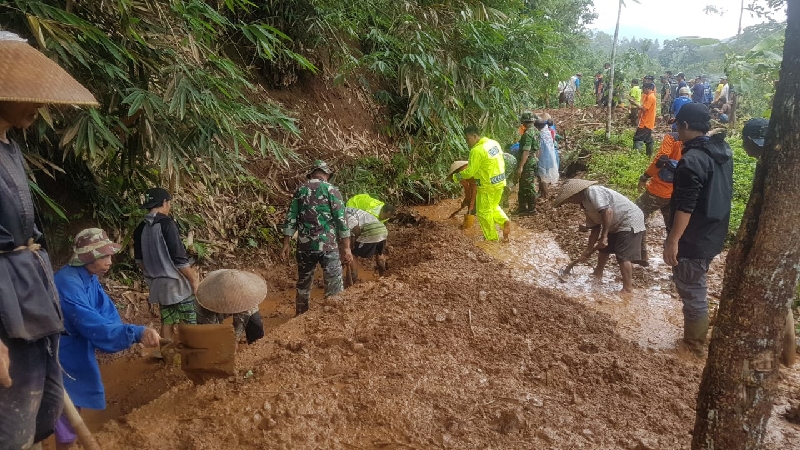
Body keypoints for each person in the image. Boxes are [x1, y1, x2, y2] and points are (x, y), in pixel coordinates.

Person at [0, 31, 100, 448]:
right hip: (6, 305)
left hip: (28, 295)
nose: (38, 104)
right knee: (11, 420)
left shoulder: (9, 148)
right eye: (27, 94)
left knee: (38, 402)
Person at [54, 229, 161, 449]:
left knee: (73, 403)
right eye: (104, 256)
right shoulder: (67, 284)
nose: (110, 261)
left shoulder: (89, 278)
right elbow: (93, 324)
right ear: (87, 257)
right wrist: (135, 333)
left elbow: (107, 314)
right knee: (61, 404)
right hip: (59, 352)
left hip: (75, 348)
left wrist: (127, 332)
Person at [663, 103, 733, 354]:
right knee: (696, 283)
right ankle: (696, 338)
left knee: (692, 289)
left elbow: (685, 206)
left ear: (684, 125)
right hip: (714, 231)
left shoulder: (691, 160)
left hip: (693, 236)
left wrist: (673, 240)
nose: (676, 131)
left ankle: (693, 346)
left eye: (677, 126)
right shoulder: (722, 150)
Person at [740, 117, 796, 365]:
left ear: (748, 141)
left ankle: (788, 357)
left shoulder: (776, 167)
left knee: (780, 299)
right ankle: (788, 357)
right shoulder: (774, 160)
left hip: (781, 243)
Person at [281, 160, 352, 315]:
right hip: (328, 246)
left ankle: (300, 315)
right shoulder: (332, 190)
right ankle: (332, 316)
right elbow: (341, 220)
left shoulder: (300, 190)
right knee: (334, 284)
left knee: (303, 284)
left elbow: (291, 217)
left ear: (312, 174)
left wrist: (286, 243)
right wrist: (346, 248)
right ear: (326, 175)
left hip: (305, 247)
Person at [554, 179, 646, 293]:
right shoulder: (585, 204)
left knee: (622, 254)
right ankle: (598, 273)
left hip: (629, 218)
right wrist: (588, 250)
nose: (570, 201)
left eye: (570, 198)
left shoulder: (593, 192)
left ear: (576, 193)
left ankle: (627, 288)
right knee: (604, 249)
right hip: (614, 223)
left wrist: (604, 236)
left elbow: (608, 212)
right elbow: (595, 228)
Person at [134, 188, 199, 341]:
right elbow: (180, 260)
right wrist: (193, 280)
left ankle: (167, 359)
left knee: (167, 321)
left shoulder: (140, 228)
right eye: (168, 203)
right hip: (177, 285)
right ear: (164, 203)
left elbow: (140, 262)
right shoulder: (167, 224)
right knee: (190, 320)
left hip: (158, 286)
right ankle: (194, 356)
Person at [455, 126, 510, 241]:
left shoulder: (477, 150)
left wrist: (456, 177)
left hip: (487, 185)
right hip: (500, 181)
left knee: (483, 212)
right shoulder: (493, 143)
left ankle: (491, 239)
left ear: (475, 136)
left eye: (468, 139)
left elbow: (469, 172)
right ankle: (504, 221)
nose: (467, 142)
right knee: (492, 206)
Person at [635, 132, 683, 262]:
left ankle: (640, 254)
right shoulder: (696, 140)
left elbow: (661, 159)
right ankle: (676, 262)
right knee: (672, 226)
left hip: (659, 189)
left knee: (636, 213)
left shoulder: (672, 137)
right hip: (677, 191)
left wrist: (645, 176)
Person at [195, 269, 266, 345]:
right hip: (213, 297)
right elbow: (213, 329)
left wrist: (235, 339)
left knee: (255, 324)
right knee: (210, 337)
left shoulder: (245, 295)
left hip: (241, 287)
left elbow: (241, 320)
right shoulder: (206, 300)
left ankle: (255, 346)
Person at [344, 206, 389, 282]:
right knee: (379, 253)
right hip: (382, 230)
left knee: (353, 253)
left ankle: (354, 278)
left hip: (371, 231)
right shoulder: (352, 209)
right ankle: (383, 275)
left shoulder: (345, 213)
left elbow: (356, 229)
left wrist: (353, 245)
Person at [514, 112, 540, 215]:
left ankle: (530, 209)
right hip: (533, 160)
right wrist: (536, 160)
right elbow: (538, 149)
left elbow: (526, 151)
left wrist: (520, 167)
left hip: (527, 162)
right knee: (527, 184)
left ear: (524, 122)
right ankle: (524, 208)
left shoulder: (528, 134)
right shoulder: (536, 132)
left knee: (527, 185)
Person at [448, 160, 477, 229]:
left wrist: (470, 204)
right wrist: (466, 200)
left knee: (473, 206)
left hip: (481, 186)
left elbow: (471, 190)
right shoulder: (464, 171)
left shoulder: (464, 172)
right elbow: (467, 189)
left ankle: (467, 228)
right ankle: (467, 227)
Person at [535, 117, 559, 199]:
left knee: (542, 178)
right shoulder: (547, 133)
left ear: (537, 127)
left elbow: (539, 149)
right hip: (549, 158)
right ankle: (542, 194)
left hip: (542, 159)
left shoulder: (539, 136)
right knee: (544, 176)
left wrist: (536, 159)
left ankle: (546, 195)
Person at [632, 82, 657, 156]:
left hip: (645, 122)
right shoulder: (650, 96)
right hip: (649, 121)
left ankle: (636, 156)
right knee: (648, 139)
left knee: (638, 138)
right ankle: (649, 155)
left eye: (643, 88)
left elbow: (644, 108)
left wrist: (634, 103)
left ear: (647, 89)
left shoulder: (650, 97)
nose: (643, 90)